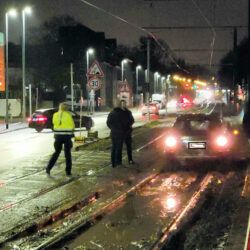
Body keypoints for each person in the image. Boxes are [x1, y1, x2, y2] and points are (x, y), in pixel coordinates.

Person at [46, 103, 75, 176]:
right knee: (67, 154)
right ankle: (68, 171)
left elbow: (53, 123)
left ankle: (48, 168)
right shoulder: (68, 115)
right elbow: (72, 125)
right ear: (66, 108)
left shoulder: (55, 115)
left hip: (58, 137)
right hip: (66, 137)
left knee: (56, 152)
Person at [106, 100, 135, 167]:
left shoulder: (125, 112)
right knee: (118, 147)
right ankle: (118, 162)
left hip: (121, 132)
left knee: (117, 147)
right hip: (121, 132)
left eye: (124, 103)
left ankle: (116, 162)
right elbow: (109, 123)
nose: (123, 105)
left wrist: (113, 128)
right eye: (122, 104)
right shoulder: (120, 113)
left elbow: (108, 123)